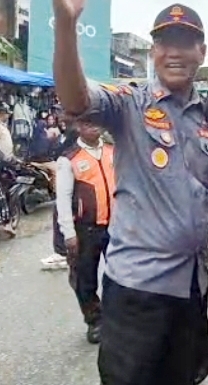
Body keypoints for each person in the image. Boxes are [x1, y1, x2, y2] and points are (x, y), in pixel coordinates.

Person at [47, 0, 208, 385]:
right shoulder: (130, 103)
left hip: (191, 288)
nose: (175, 51)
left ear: (201, 52)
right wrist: (66, 26)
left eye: (186, 42)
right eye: (165, 41)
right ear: (152, 51)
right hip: (137, 291)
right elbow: (75, 97)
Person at [55, 119, 115, 344]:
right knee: (85, 278)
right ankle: (94, 320)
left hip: (116, 226)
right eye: (88, 124)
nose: (94, 127)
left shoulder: (111, 150)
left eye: (96, 122)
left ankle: (117, 316)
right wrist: (68, 233)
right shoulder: (69, 159)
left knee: (121, 274)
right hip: (86, 228)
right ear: (79, 127)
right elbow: (63, 199)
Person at [42, 115, 80, 270]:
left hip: (76, 178)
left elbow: (62, 152)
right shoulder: (67, 133)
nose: (62, 122)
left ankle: (62, 252)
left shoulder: (74, 134)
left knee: (62, 211)